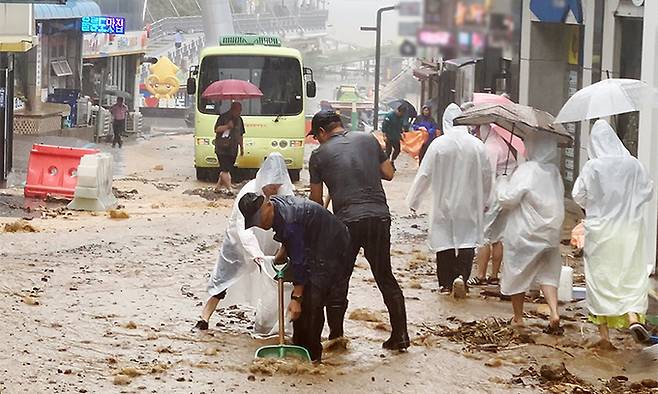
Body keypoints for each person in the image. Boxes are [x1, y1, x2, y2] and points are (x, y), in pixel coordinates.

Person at [308, 111, 410, 350]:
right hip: (379, 217)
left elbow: (315, 200)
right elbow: (389, 173)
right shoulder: (368, 139)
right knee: (385, 277)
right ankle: (401, 336)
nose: (317, 141)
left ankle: (336, 337)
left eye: (316, 136)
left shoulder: (318, 155)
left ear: (322, 132)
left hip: (346, 222)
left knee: (339, 279)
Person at [238, 192, 353, 362]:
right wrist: (282, 253)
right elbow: (291, 238)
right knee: (305, 300)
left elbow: (299, 260)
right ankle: (299, 344)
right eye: (255, 222)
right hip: (314, 242)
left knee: (313, 299)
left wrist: (296, 298)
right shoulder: (279, 209)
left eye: (260, 218)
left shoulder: (290, 220)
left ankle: (314, 358)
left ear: (268, 205)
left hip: (333, 245)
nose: (260, 225)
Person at [572, 120, 654, 346]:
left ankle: (604, 337)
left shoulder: (593, 167)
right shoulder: (634, 164)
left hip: (601, 231)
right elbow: (647, 191)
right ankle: (632, 317)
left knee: (601, 279)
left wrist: (597, 203)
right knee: (629, 274)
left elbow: (578, 195)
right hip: (630, 229)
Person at [194, 153, 294, 334]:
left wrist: (281, 249)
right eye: (271, 186)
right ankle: (204, 317)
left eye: (277, 186)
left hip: (273, 241)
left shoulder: (286, 193)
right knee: (224, 279)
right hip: (240, 244)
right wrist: (256, 254)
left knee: (276, 281)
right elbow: (243, 229)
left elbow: (292, 223)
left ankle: (271, 323)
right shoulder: (249, 193)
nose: (273, 189)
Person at [406, 104, 491, 298]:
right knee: (467, 239)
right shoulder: (477, 145)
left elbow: (424, 174)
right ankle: (461, 276)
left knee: (443, 241)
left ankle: (445, 284)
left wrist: (414, 201)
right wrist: (487, 200)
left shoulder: (438, 144)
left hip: (443, 202)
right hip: (469, 202)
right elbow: (487, 176)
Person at [497, 133, 564, 334]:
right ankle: (553, 312)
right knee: (549, 273)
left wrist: (502, 181)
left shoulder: (527, 170)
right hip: (550, 234)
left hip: (525, 233)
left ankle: (518, 318)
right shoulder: (554, 172)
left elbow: (508, 199)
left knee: (517, 272)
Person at [469, 124, 521, 287]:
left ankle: (480, 275)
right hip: (507, 193)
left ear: (485, 128)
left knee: (483, 235)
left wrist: (484, 201)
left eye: (478, 128)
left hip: (494, 195)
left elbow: (488, 176)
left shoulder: (490, 147)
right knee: (497, 237)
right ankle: (494, 275)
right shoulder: (505, 145)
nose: (476, 132)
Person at [214, 102, 245, 193]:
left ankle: (218, 187)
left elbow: (240, 135)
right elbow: (216, 129)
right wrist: (227, 126)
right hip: (222, 147)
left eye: (240, 110)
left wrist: (242, 147)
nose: (239, 112)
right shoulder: (223, 117)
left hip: (233, 148)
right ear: (232, 109)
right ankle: (229, 189)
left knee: (227, 169)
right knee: (225, 169)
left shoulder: (239, 120)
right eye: (238, 110)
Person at [381, 105, 406, 170]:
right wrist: (384, 136)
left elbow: (400, 126)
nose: (401, 114)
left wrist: (402, 133)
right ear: (398, 110)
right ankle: (386, 165)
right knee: (388, 151)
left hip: (396, 136)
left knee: (397, 150)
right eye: (401, 113)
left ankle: (392, 161)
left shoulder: (401, 117)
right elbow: (384, 126)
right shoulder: (389, 116)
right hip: (389, 136)